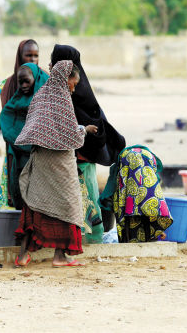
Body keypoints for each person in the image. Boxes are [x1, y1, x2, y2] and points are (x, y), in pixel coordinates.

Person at [14, 60, 98, 267]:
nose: (74, 87)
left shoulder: (41, 95)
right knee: (69, 205)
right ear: (65, 78)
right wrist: (84, 130)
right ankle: (60, 256)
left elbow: (35, 126)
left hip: (41, 162)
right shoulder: (61, 99)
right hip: (60, 164)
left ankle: (23, 255)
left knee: (35, 205)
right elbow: (70, 136)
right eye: (74, 83)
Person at [50, 44, 126, 242]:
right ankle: (89, 238)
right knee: (86, 197)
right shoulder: (76, 87)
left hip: (76, 156)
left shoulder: (67, 89)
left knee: (81, 197)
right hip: (80, 155)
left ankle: (85, 239)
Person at [0, 39, 40, 208]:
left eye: (36, 56)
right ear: (20, 57)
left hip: (38, 146)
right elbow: (6, 113)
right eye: (28, 55)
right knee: (16, 186)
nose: (32, 60)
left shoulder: (45, 81)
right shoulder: (10, 84)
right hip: (15, 144)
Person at [100, 145, 173, 243]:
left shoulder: (121, 172)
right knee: (147, 208)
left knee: (127, 212)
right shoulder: (151, 181)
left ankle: (129, 240)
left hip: (126, 179)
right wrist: (157, 230)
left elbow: (108, 197)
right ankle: (147, 237)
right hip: (144, 178)